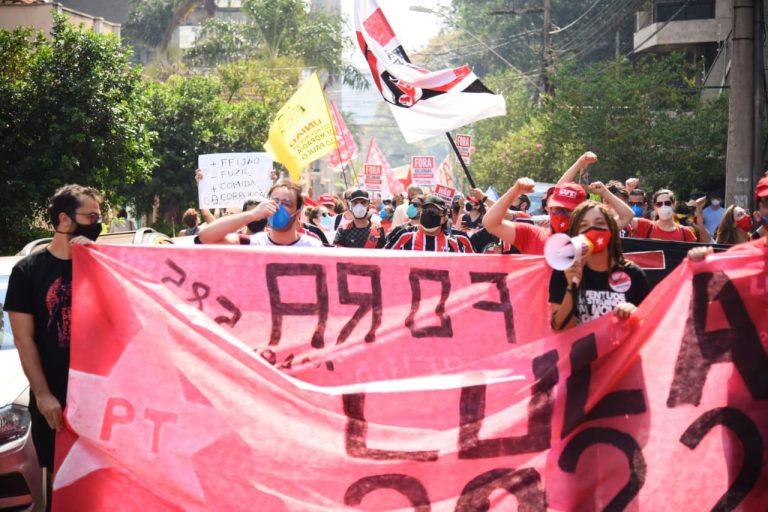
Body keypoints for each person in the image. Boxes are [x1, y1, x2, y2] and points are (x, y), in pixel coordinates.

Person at [5, 184, 103, 506]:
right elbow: (23, 339)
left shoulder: (104, 265)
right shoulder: (27, 271)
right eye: (91, 216)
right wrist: (44, 394)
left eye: (99, 216)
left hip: (101, 396)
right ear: (64, 219)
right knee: (62, 483)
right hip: (56, 402)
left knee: (102, 481)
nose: (98, 223)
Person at [549, 201, 650, 331]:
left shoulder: (634, 274)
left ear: (612, 230)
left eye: (600, 223)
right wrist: (572, 285)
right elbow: (559, 328)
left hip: (620, 351)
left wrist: (634, 314)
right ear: (575, 233)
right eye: (584, 225)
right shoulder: (565, 270)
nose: (593, 230)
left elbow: (647, 327)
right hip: (579, 351)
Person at [484, 177, 633, 255]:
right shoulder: (533, 235)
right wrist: (514, 191)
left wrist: (605, 193)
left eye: (567, 211)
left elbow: (626, 216)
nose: (561, 215)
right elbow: (491, 223)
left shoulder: (590, 237)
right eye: (556, 209)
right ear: (548, 208)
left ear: (580, 212)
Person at [198, 179, 322, 247]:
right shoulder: (252, 243)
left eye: (286, 203)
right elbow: (205, 236)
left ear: (297, 213)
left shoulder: (313, 246)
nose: (278, 207)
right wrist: (252, 214)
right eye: (274, 201)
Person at [388, 195, 463, 252]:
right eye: (425, 210)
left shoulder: (453, 243)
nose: (428, 214)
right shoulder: (404, 235)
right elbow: (384, 258)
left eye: (434, 211)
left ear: (444, 218)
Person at [629, 189, 701, 242]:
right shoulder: (646, 226)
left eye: (667, 203)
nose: (663, 206)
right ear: (655, 206)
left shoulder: (685, 232)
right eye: (659, 204)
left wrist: (699, 211)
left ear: (673, 204)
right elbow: (624, 217)